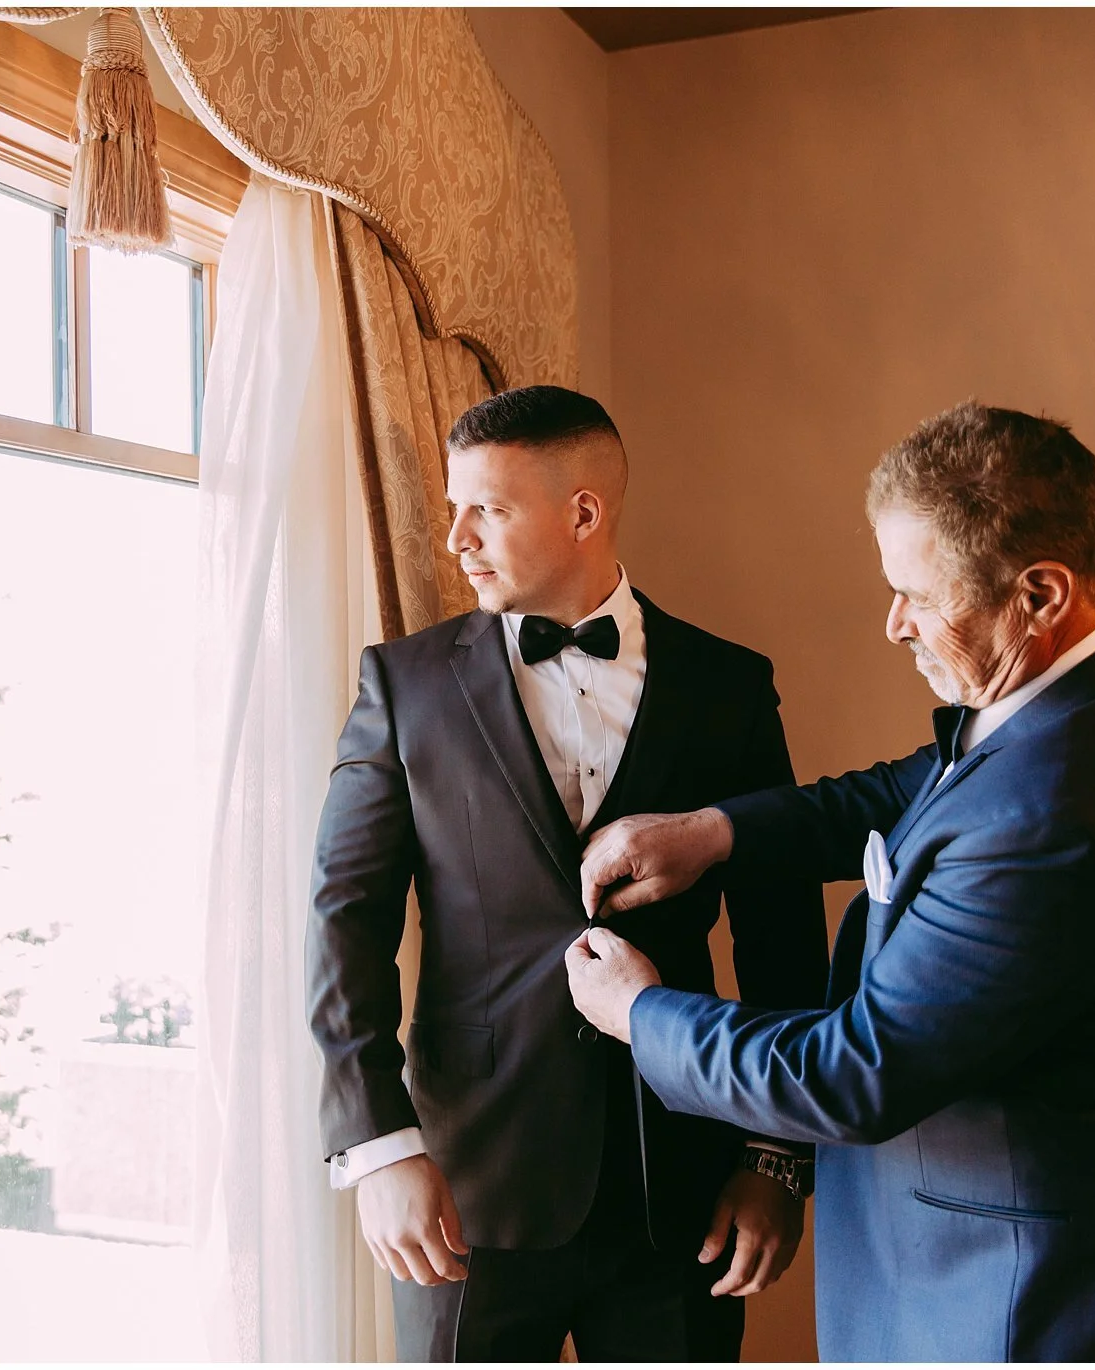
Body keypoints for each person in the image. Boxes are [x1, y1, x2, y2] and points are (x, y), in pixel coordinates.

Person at [565, 401, 1095, 1362]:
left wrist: (639, 1012)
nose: (893, 623)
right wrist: (718, 833)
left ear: (1041, 594)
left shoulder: (1055, 819)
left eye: (918, 595)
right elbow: (929, 782)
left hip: (1034, 1303)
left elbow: (850, 1073)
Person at [307, 385, 828, 1362]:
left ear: (582, 513)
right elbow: (345, 920)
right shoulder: (404, 685)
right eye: (454, 508)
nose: (457, 538)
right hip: (466, 1193)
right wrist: (379, 1146)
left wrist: (776, 1158)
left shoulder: (726, 686)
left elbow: (781, 927)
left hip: (681, 1187)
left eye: (488, 509)